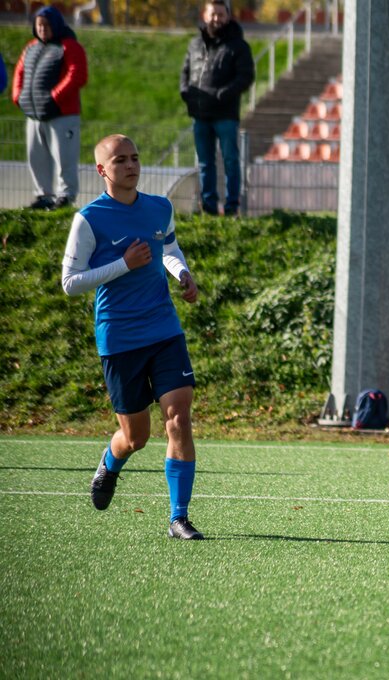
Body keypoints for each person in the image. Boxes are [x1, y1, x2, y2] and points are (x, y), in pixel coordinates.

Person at [60, 134, 204, 540]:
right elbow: (70, 283)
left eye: (135, 158)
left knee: (179, 417)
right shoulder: (89, 218)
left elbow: (169, 248)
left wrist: (182, 273)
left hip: (164, 328)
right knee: (136, 437)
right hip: (120, 337)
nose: (130, 166)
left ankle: (178, 517)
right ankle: (110, 462)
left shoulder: (159, 207)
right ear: (102, 170)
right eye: (120, 160)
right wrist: (123, 264)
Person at [180, 0, 253, 216]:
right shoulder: (195, 44)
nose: (216, 19)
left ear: (228, 17)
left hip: (225, 114)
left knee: (230, 160)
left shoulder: (238, 46)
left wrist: (223, 94)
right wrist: (185, 92)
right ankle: (209, 207)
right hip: (200, 113)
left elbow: (245, 77)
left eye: (221, 14)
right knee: (205, 162)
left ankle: (232, 206)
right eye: (213, 14)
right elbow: (185, 72)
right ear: (205, 15)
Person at [11, 6, 88, 210]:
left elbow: (77, 75)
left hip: (62, 114)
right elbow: (20, 72)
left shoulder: (69, 46)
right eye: (39, 25)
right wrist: (18, 96)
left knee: (64, 157)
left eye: (46, 25)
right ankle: (43, 195)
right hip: (35, 115)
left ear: (56, 25)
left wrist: (54, 97)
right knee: (36, 157)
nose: (42, 29)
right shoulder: (31, 47)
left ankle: (66, 195)